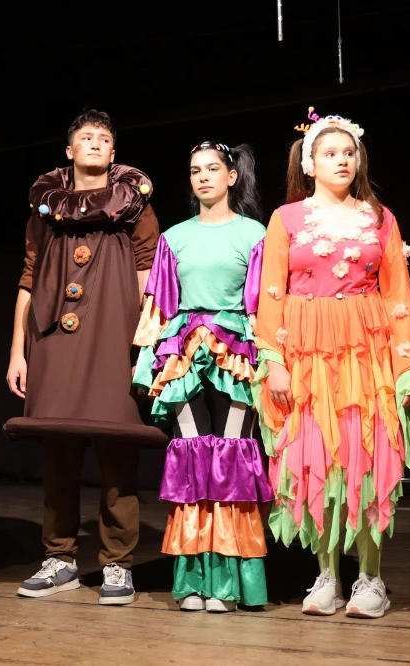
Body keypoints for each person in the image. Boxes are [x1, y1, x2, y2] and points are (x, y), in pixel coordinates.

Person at [253, 109, 410, 618]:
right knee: (317, 461)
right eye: (330, 153)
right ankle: (327, 575)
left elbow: (399, 294)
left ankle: (371, 579)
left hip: (365, 353)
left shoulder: (380, 217)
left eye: (349, 152)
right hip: (306, 354)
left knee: (366, 459)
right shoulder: (286, 219)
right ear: (310, 163)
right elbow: (270, 293)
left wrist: (408, 365)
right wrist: (274, 360)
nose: (342, 160)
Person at [4, 109, 165, 605]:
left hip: (114, 337)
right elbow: (29, 277)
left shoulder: (134, 206)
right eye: (86, 137)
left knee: (117, 451)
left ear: (113, 154)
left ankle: (117, 563)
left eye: (103, 138)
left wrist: (146, 344)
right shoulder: (44, 210)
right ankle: (60, 559)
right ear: (69, 151)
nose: (95, 142)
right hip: (54, 341)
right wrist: (17, 352)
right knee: (59, 452)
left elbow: (149, 274)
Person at [132, 142, 273, 612]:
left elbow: (263, 304)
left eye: (213, 169)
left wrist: (273, 360)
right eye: (195, 171)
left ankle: (231, 584)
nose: (204, 177)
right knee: (191, 458)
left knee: (233, 458)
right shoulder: (174, 238)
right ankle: (192, 581)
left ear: (232, 176)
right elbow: (159, 305)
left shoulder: (254, 233)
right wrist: (145, 361)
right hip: (184, 352)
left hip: (238, 352)